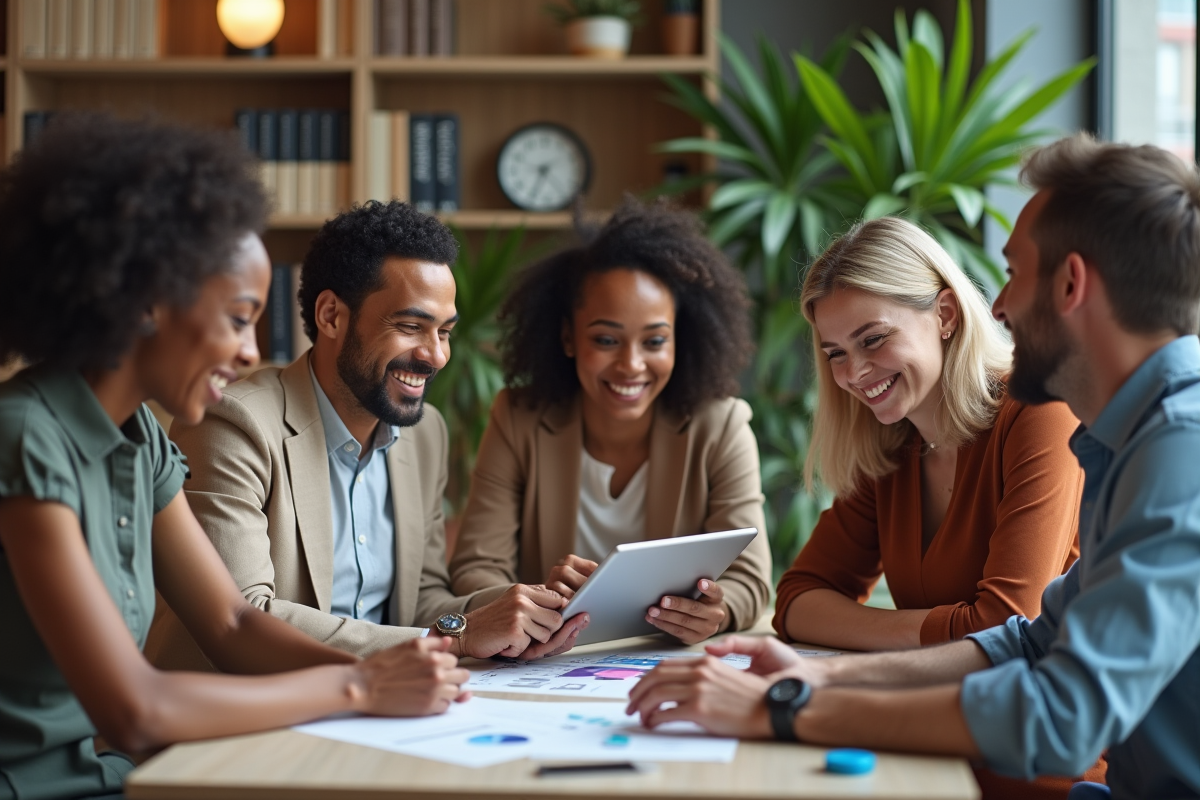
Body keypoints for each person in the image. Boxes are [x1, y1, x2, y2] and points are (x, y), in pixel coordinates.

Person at [627, 134, 1200, 800]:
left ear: (1071, 284)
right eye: (837, 352)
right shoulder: (1131, 440)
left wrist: (783, 711)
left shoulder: (1178, 452)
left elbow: (1059, 716)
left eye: (1014, 273)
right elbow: (1030, 638)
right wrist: (817, 680)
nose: (1001, 306)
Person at [0, 115, 471, 800]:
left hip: (113, 779)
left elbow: (233, 623)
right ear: (148, 303)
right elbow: (135, 711)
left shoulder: (142, 441)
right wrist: (360, 683)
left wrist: (414, 670)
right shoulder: (24, 434)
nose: (252, 352)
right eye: (237, 317)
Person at [146, 201, 586, 671]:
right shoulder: (234, 423)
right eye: (411, 326)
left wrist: (537, 608)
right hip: (248, 712)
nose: (436, 356)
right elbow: (247, 615)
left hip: (381, 705)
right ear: (332, 316)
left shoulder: (425, 434)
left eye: (445, 332)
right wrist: (456, 639)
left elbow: (421, 602)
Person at [448, 199, 772, 644]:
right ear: (568, 337)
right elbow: (474, 568)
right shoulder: (518, 418)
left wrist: (718, 610)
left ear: (682, 338)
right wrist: (535, 600)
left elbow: (751, 580)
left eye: (654, 340)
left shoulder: (721, 425)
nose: (631, 365)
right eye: (606, 339)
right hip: (551, 663)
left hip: (663, 658)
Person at [773, 217, 1084, 652]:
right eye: (836, 354)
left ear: (945, 315)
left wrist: (880, 635)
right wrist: (943, 633)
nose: (854, 373)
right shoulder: (889, 443)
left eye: (874, 339)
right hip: (948, 696)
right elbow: (796, 601)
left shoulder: (1040, 411)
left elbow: (1007, 626)